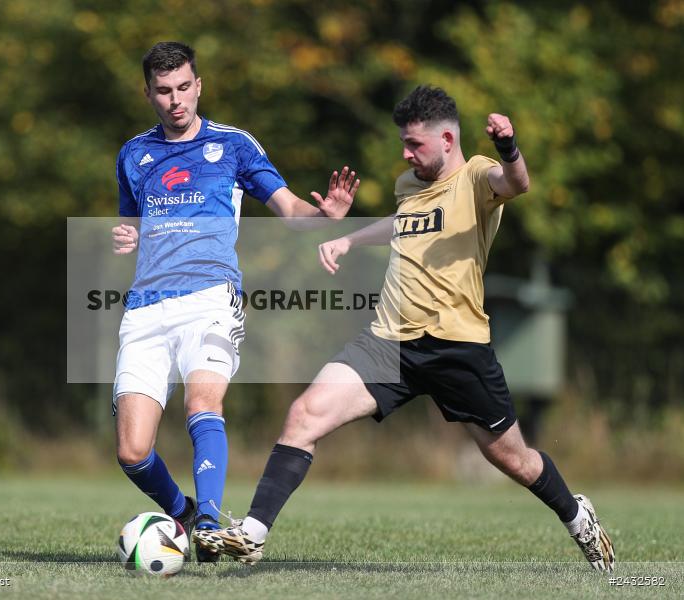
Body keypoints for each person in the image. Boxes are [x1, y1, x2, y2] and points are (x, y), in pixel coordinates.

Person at [194, 85, 616, 572]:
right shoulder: (408, 184)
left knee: (514, 460)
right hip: (389, 341)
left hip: (458, 348)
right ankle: (253, 534)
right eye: (404, 143)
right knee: (305, 414)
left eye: (415, 144)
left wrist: (508, 145)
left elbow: (517, 183)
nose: (406, 152)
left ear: (447, 139)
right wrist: (350, 240)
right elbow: (403, 222)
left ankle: (575, 514)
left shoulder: (478, 176)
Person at [112, 41, 359, 562]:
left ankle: (208, 524)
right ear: (148, 94)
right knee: (132, 451)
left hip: (211, 297)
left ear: (199, 85)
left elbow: (290, 208)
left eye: (184, 87)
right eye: (164, 91)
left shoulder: (235, 145)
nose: (176, 99)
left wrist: (326, 217)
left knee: (203, 403)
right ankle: (182, 512)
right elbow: (132, 221)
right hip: (146, 307)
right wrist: (127, 235)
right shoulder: (134, 155)